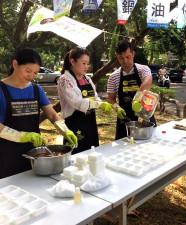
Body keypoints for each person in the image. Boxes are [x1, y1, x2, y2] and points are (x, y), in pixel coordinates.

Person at [0, 48, 77, 179]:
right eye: (28, 71)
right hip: (6, 154)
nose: (31, 76)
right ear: (15, 64)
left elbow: (52, 115)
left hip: (34, 152)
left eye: (35, 73)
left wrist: (65, 130)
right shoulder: (1, 89)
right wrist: (21, 136)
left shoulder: (36, 90)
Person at [57, 46, 112, 154]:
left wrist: (103, 104)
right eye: (83, 63)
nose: (86, 67)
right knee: (76, 158)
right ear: (72, 61)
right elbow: (76, 103)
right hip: (74, 125)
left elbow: (95, 97)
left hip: (90, 123)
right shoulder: (65, 80)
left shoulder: (87, 79)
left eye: (88, 63)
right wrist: (98, 105)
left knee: (93, 155)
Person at [107, 40, 156, 140]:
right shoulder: (113, 77)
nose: (125, 61)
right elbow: (110, 99)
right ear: (117, 57)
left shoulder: (143, 69)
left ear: (133, 54)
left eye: (128, 57)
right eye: (121, 58)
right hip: (125, 120)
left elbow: (147, 82)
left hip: (144, 117)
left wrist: (137, 99)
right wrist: (116, 107)